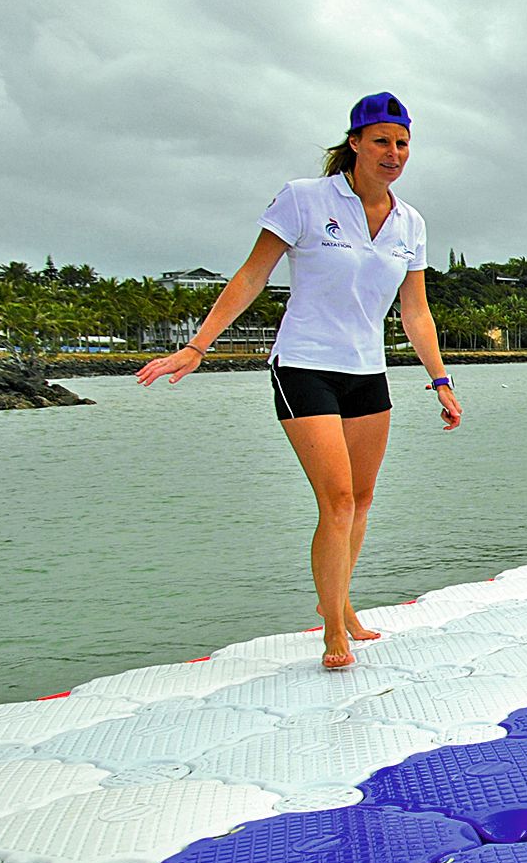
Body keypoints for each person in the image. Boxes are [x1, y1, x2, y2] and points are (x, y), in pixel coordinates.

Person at [136, 92, 461, 672]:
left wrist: (439, 380)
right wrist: (197, 345)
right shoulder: (306, 200)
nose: (393, 153)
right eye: (382, 141)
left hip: (368, 372)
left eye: (403, 143)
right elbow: (253, 274)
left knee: (360, 500)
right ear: (355, 143)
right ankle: (333, 628)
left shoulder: (410, 222)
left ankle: (339, 600)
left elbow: (416, 311)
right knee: (335, 499)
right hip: (305, 366)